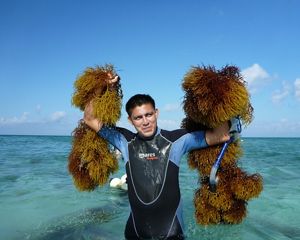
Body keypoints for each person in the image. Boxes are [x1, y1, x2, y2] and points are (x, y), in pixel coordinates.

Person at [84, 74, 235, 239]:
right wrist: (102, 86)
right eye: (138, 117)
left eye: (148, 115)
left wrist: (217, 95)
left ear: (156, 113)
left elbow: (222, 135)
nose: (145, 121)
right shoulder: (125, 141)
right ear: (130, 120)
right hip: (135, 232)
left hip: (171, 232)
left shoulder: (176, 140)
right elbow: (90, 119)